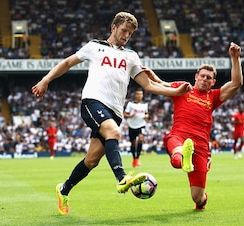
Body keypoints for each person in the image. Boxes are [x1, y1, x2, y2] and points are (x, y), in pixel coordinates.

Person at [31, 11, 191, 215]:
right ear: (113, 27)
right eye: (124, 30)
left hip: (115, 111)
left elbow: (148, 85)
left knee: (91, 160)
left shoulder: (131, 56)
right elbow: (67, 63)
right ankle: (121, 178)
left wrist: (174, 91)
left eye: (130, 34)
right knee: (113, 133)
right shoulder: (94, 47)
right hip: (93, 101)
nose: (126, 36)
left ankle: (64, 189)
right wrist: (45, 80)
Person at [145, 42, 243, 210]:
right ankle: (181, 156)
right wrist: (151, 75)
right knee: (177, 159)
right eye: (202, 76)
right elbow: (162, 84)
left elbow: (236, 83)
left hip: (201, 146)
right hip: (179, 136)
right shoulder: (183, 88)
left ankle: (202, 200)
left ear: (213, 82)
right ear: (196, 76)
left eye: (208, 78)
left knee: (197, 197)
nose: (205, 79)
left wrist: (235, 58)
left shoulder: (213, 96)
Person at [124, 88, 148, 167]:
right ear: (135, 95)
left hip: (141, 125)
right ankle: (134, 158)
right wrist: (131, 115)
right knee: (133, 143)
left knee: (141, 139)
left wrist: (146, 116)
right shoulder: (130, 104)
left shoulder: (145, 105)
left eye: (140, 94)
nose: (139, 96)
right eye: (137, 94)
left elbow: (146, 114)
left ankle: (137, 158)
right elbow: (125, 115)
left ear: (142, 95)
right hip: (132, 125)